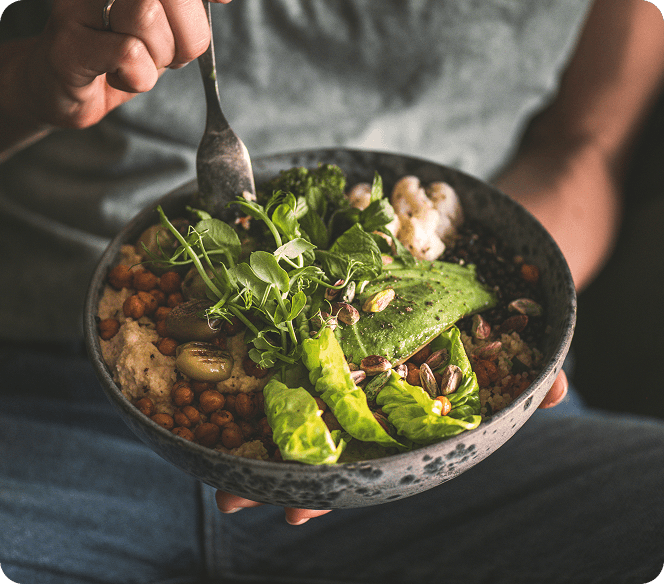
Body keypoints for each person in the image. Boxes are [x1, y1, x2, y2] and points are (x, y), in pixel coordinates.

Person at [0, 0, 662, 582]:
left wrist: (513, 308)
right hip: (51, 395)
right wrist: (34, 81)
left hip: (457, 465)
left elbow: (587, 145)